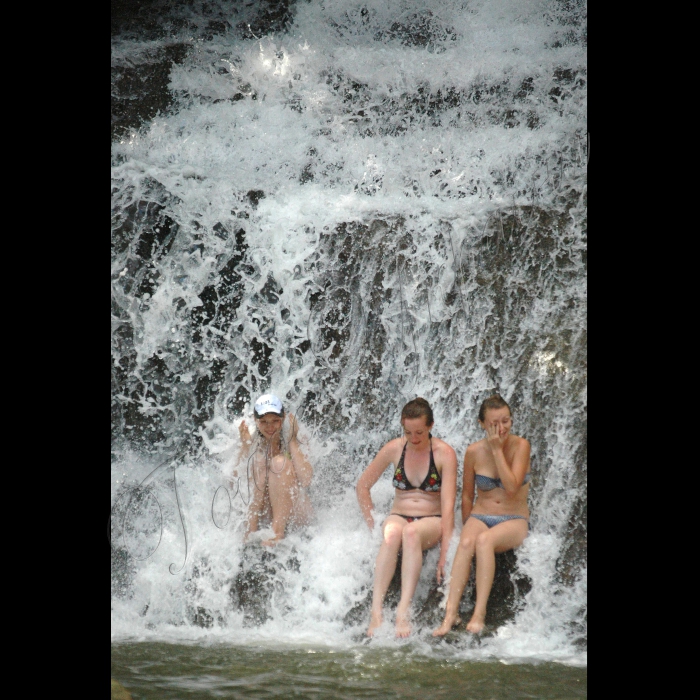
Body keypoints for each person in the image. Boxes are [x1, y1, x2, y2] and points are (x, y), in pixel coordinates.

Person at [356, 397, 457, 637]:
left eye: (419, 432)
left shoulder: (445, 454)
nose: (414, 438)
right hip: (399, 514)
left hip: (431, 519)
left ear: (431, 426)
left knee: (411, 533)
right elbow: (362, 486)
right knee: (391, 535)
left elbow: (449, 506)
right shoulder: (394, 448)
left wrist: (444, 554)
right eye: (408, 432)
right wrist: (373, 525)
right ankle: (377, 612)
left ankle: (403, 611)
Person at [432, 394, 531, 636]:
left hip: (513, 518)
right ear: (482, 424)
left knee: (485, 541)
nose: (501, 428)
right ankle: (450, 614)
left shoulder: (521, 446)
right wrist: (468, 524)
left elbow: (511, 487)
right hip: (481, 514)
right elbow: (467, 496)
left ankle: (479, 614)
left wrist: (497, 451)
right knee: (467, 542)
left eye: (506, 421)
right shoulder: (474, 451)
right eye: (494, 423)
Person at [235, 393, 313, 547]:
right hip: (265, 512)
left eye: (275, 421)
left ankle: (277, 532)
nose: (270, 427)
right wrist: (244, 447)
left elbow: (306, 480)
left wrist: (292, 441)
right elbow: (235, 484)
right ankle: (251, 531)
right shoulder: (253, 442)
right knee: (258, 461)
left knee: (279, 463)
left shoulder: (296, 437)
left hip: (297, 512)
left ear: (283, 418)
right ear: (256, 421)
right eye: (264, 422)